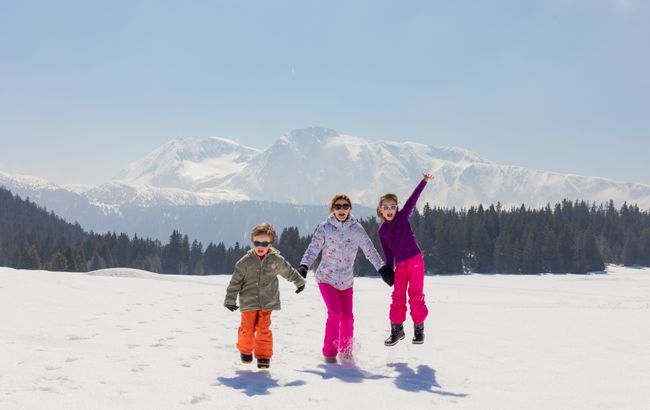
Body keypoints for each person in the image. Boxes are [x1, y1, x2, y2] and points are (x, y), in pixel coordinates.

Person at [298, 194, 393, 363]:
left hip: (346, 281)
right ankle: (329, 352)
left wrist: (382, 269)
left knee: (348, 317)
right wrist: (304, 265)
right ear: (332, 209)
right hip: (326, 278)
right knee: (335, 312)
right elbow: (313, 248)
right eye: (338, 206)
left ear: (350, 208)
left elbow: (369, 250)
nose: (341, 210)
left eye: (345, 206)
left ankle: (346, 352)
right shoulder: (325, 227)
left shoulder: (357, 229)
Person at [224, 222, 305, 369]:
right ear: (253, 242)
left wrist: (299, 282)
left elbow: (289, 271)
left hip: (268, 302)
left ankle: (263, 356)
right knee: (247, 329)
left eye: (264, 243)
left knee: (263, 330)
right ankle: (246, 351)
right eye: (257, 242)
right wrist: (230, 299)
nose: (260, 246)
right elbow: (235, 282)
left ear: (270, 243)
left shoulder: (276, 260)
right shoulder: (245, 262)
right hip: (248, 302)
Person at [377, 172, 434, 346]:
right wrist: (388, 271)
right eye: (385, 207)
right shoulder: (382, 232)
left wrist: (424, 181)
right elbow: (388, 254)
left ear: (396, 208)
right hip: (400, 265)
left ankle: (419, 330)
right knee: (397, 296)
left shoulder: (402, 217)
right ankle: (397, 330)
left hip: (415, 260)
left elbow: (413, 200)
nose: (389, 210)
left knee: (416, 295)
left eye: (392, 206)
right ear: (380, 210)